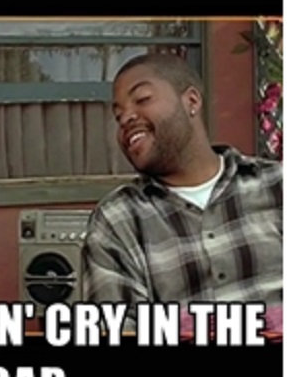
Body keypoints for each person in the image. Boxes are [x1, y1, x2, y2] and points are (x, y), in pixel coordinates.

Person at [83, 53, 282, 333]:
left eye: (142, 99)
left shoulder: (276, 184)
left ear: (191, 101)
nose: (126, 117)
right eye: (118, 116)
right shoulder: (118, 220)